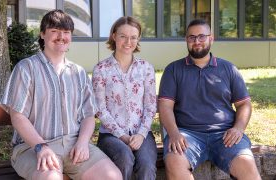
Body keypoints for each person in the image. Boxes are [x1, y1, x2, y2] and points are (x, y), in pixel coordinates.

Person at [0, 9, 122, 180]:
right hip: (32, 148)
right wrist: (41, 147)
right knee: (51, 178)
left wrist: (82, 142)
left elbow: (88, 116)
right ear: (42, 34)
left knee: (113, 176)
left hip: (74, 145)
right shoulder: (26, 68)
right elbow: (18, 116)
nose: (61, 36)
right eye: (54, 31)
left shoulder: (78, 73)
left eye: (66, 32)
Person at [158, 19, 261, 180]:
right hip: (187, 135)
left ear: (211, 38)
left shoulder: (228, 68)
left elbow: (244, 104)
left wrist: (238, 128)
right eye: (192, 37)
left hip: (225, 135)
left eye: (201, 36)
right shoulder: (173, 70)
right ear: (186, 40)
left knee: (247, 164)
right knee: (174, 161)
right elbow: (164, 106)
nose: (196, 41)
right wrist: (174, 133)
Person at [92, 16, 158, 180]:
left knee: (147, 165)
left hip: (142, 133)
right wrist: (123, 137)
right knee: (124, 157)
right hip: (111, 135)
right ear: (114, 36)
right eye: (123, 36)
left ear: (138, 39)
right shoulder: (101, 69)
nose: (128, 41)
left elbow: (150, 107)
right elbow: (100, 109)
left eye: (133, 37)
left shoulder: (146, 68)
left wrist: (141, 134)